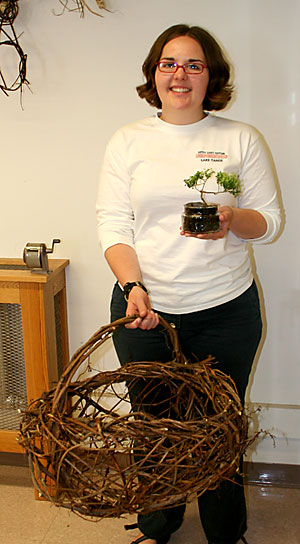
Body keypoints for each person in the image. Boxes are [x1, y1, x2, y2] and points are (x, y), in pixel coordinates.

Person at [96, 23, 281, 544]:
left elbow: (269, 223)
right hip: (142, 308)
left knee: (218, 426)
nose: (180, 74)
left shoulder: (239, 137)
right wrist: (134, 289)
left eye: (193, 65)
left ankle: (226, 531)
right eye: (168, 64)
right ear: (154, 74)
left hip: (225, 310)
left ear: (210, 76)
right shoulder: (128, 140)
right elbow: (113, 225)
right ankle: (160, 524)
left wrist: (232, 219)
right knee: (154, 426)